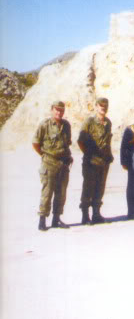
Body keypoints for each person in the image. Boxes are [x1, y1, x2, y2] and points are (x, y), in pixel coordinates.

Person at [33, 100, 73, 231]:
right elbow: (35, 143)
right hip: (49, 163)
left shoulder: (66, 125)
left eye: (61, 110)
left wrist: (68, 157)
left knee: (61, 192)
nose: (59, 112)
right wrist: (45, 156)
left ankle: (56, 219)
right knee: (47, 192)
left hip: (63, 163)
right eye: (56, 109)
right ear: (52, 110)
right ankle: (42, 219)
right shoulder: (45, 125)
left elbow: (67, 143)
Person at [77, 97, 113, 225]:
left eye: (105, 106)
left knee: (100, 188)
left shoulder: (108, 123)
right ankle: (85, 215)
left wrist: (109, 156)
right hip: (91, 162)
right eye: (101, 105)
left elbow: (108, 141)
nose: (103, 108)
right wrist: (89, 154)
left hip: (103, 162)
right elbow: (80, 141)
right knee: (88, 188)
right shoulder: (89, 122)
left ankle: (96, 214)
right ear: (96, 106)